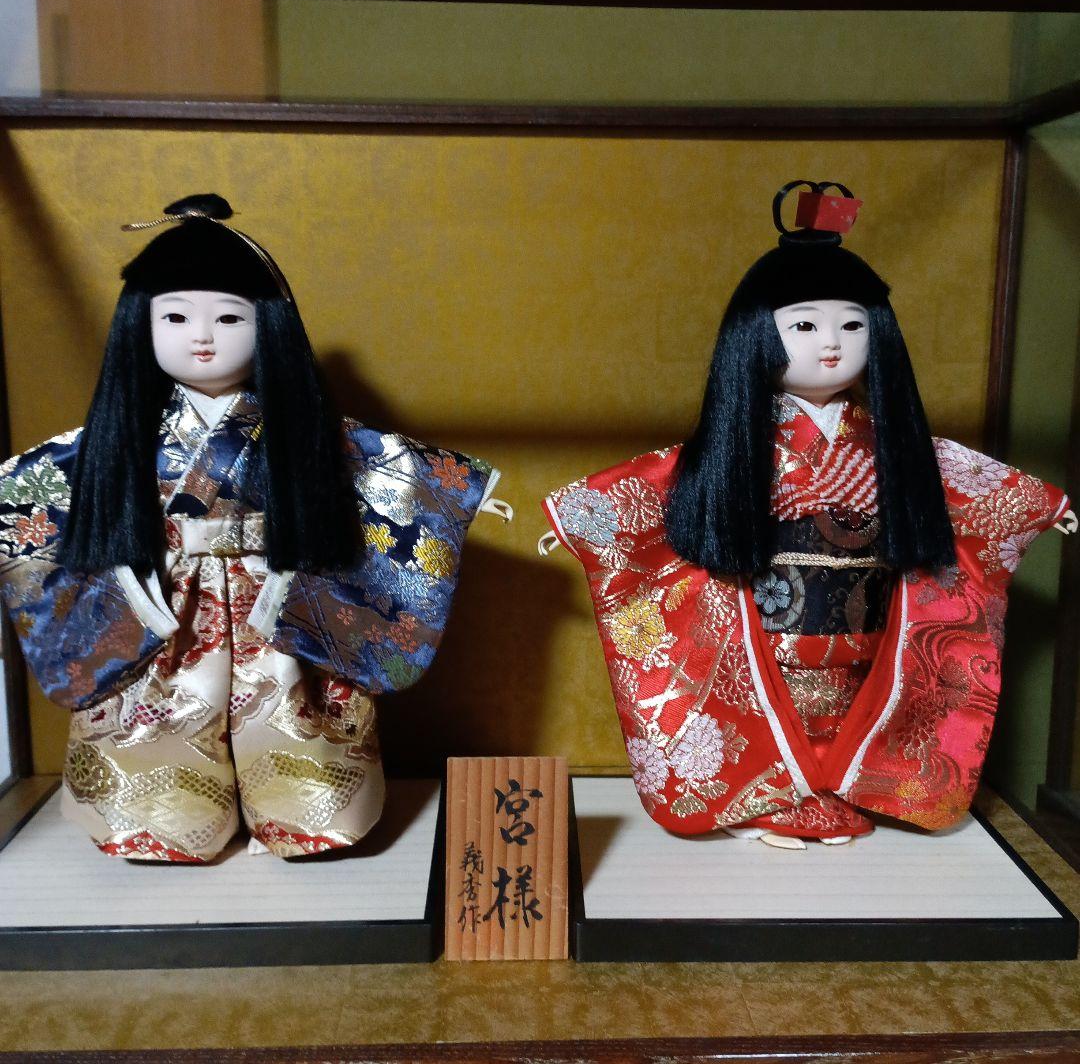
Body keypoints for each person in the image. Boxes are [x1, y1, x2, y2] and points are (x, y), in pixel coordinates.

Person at [541, 181, 1074, 846]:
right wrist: (583, 519)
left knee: (852, 718)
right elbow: (662, 482)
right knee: (776, 718)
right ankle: (770, 800)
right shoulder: (740, 444)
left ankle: (843, 793)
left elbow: (960, 483)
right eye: (804, 326)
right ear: (755, 337)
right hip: (768, 634)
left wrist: (1036, 506)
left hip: (864, 635)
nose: (832, 344)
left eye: (852, 325)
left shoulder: (892, 445)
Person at [0, 193, 507, 861]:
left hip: (275, 593)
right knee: (159, 711)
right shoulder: (124, 433)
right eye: (174, 316)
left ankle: (299, 819)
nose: (201, 336)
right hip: (167, 601)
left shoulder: (295, 427)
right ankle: (164, 824)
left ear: (268, 324)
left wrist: (456, 491)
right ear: (139, 324)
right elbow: (42, 480)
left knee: (292, 706)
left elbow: (378, 466)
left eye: (228, 317)